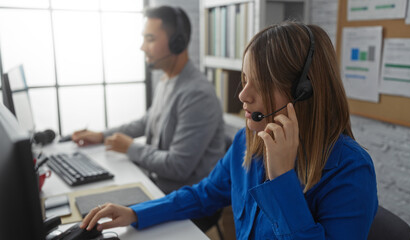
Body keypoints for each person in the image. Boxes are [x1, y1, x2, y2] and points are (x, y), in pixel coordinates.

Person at [79, 22, 378, 239]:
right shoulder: (248, 142)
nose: (243, 95)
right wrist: (137, 213)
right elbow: (203, 195)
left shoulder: (350, 171)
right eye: (244, 79)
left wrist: (283, 180)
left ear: (303, 92)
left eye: (258, 83)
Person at [71, 6, 225, 194]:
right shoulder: (168, 80)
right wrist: (102, 136)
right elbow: (146, 122)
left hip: (186, 199)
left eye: (150, 39)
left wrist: (130, 148)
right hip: (158, 185)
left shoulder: (198, 95)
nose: (142, 47)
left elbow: (178, 166)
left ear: (177, 43)